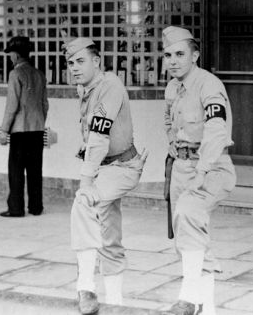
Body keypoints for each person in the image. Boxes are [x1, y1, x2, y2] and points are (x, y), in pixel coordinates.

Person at [64, 37, 148, 314]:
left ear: (96, 61)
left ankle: (85, 286)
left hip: (122, 168)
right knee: (109, 236)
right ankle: (116, 305)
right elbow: (95, 134)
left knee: (84, 202)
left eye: (81, 61)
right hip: (107, 167)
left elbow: (100, 133)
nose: (75, 68)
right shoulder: (86, 88)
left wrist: (86, 181)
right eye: (70, 63)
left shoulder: (110, 86)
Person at [161, 26, 236, 315]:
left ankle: (189, 298)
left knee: (190, 213)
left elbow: (216, 133)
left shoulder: (209, 85)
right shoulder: (171, 87)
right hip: (181, 166)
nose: (173, 61)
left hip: (213, 167)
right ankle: (207, 308)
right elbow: (169, 121)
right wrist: (172, 144)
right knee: (189, 239)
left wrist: (201, 173)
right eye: (168, 55)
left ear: (195, 55)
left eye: (180, 54)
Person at [0, 36, 49, 218]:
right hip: (37, 130)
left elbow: (12, 106)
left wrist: (4, 130)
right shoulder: (39, 74)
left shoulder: (15, 74)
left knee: (16, 170)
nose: (10, 57)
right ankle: (36, 207)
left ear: (17, 55)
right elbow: (44, 105)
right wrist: (39, 122)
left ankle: (16, 208)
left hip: (19, 131)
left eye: (11, 54)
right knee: (35, 170)